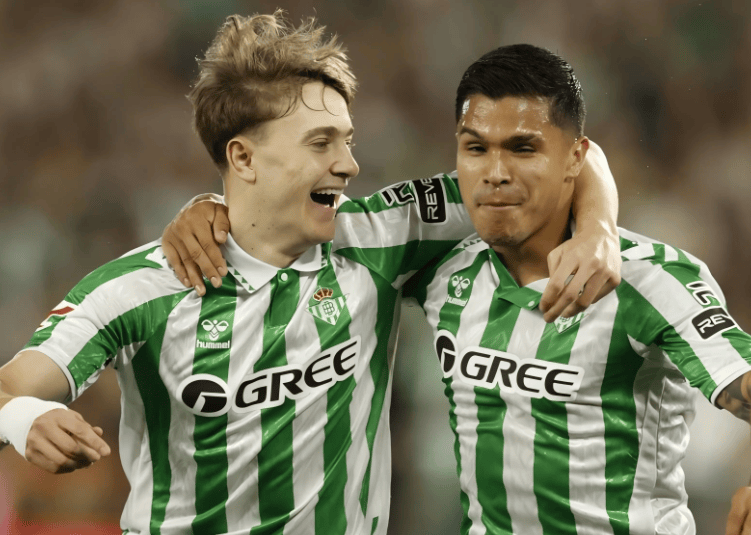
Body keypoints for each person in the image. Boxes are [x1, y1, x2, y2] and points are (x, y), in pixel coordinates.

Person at [0, 14, 621, 535]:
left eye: (347, 140)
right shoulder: (139, 289)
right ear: (243, 157)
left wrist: (598, 230)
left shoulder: (379, 238)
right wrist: (23, 419)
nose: (350, 165)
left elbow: (561, 160)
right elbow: (7, 389)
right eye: (321, 143)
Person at [168, 44, 751, 535]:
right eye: (475, 148)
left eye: (523, 148)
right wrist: (213, 208)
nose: (496, 172)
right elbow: (288, 217)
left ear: (573, 157)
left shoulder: (649, 279)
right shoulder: (439, 265)